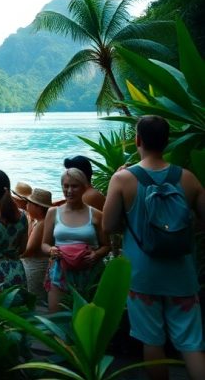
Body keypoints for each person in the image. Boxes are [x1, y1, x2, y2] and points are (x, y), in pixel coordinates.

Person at [103, 115, 205, 380]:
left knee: (152, 342)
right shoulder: (188, 179)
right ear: (167, 141)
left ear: (138, 140)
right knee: (192, 344)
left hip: (143, 276)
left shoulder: (123, 179)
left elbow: (108, 224)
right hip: (181, 275)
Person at [42, 168, 109, 313]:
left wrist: (96, 255)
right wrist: (51, 250)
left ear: (84, 187)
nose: (69, 190)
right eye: (65, 186)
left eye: (74, 186)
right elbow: (44, 244)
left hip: (89, 271)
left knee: (88, 317)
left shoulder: (96, 215)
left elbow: (106, 246)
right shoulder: (53, 212)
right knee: (57, 315)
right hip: (60, 271)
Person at [21, 187, 53, 306]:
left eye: (29, 203)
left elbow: (29, 250)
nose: (26, 206)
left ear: (38, 207)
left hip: (36, 266)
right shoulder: (39, 221)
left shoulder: (41, 224)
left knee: (36, 298)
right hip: (37, 265)